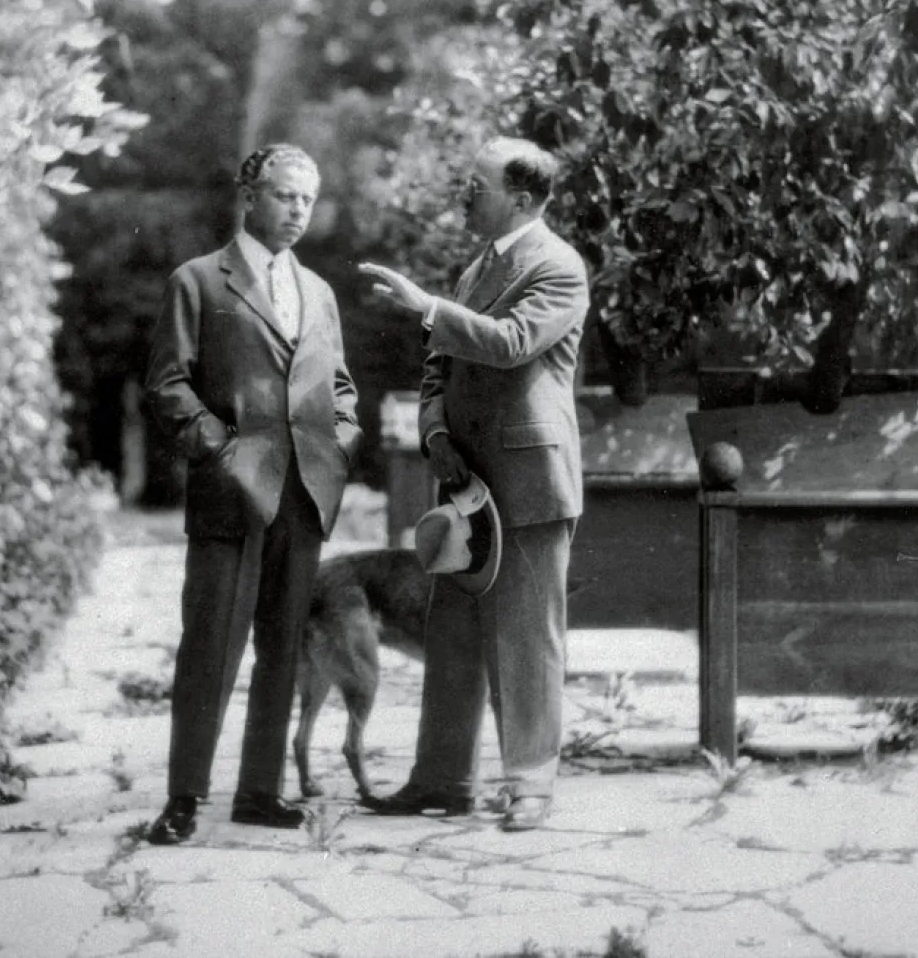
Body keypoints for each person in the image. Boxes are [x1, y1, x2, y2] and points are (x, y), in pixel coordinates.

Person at [357, 136, 588, 832]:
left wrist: (426, 304)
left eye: (475, 184)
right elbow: (439, 369)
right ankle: (443, 778)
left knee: (526, 635)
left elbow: (511, 341)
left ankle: (530, 784)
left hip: (527, 482)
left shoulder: (559, 266)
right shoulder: (475, 269)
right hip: (464, 483)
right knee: (452, 633)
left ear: (520, 199)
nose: (464, 193)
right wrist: (433, 435)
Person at [143, 144, 363, 845]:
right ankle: (184, 796)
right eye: (284, 196)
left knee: (283, 646)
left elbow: (342, 387)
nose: (298, 210)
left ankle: (260, 791)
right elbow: (168, 383)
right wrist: (220, 450)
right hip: (231, 493)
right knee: (209, 646)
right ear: (250, 196)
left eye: (307, 198)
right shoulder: (200, 281)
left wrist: (342, 440)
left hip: (304, 494)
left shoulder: (320, 291)